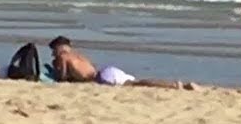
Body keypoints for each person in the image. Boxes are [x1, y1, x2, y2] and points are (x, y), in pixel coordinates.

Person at [48, 36, 199, 90]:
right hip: (106, 70)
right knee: (138, 82)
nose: (53, 53)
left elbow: (62, 79)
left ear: (59, 48)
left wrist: (56, 68)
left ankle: (175, 85)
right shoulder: (79, 55)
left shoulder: (63, 57)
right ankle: (180, 85)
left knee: (138, 84)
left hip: (102, 77)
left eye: (54, 50)